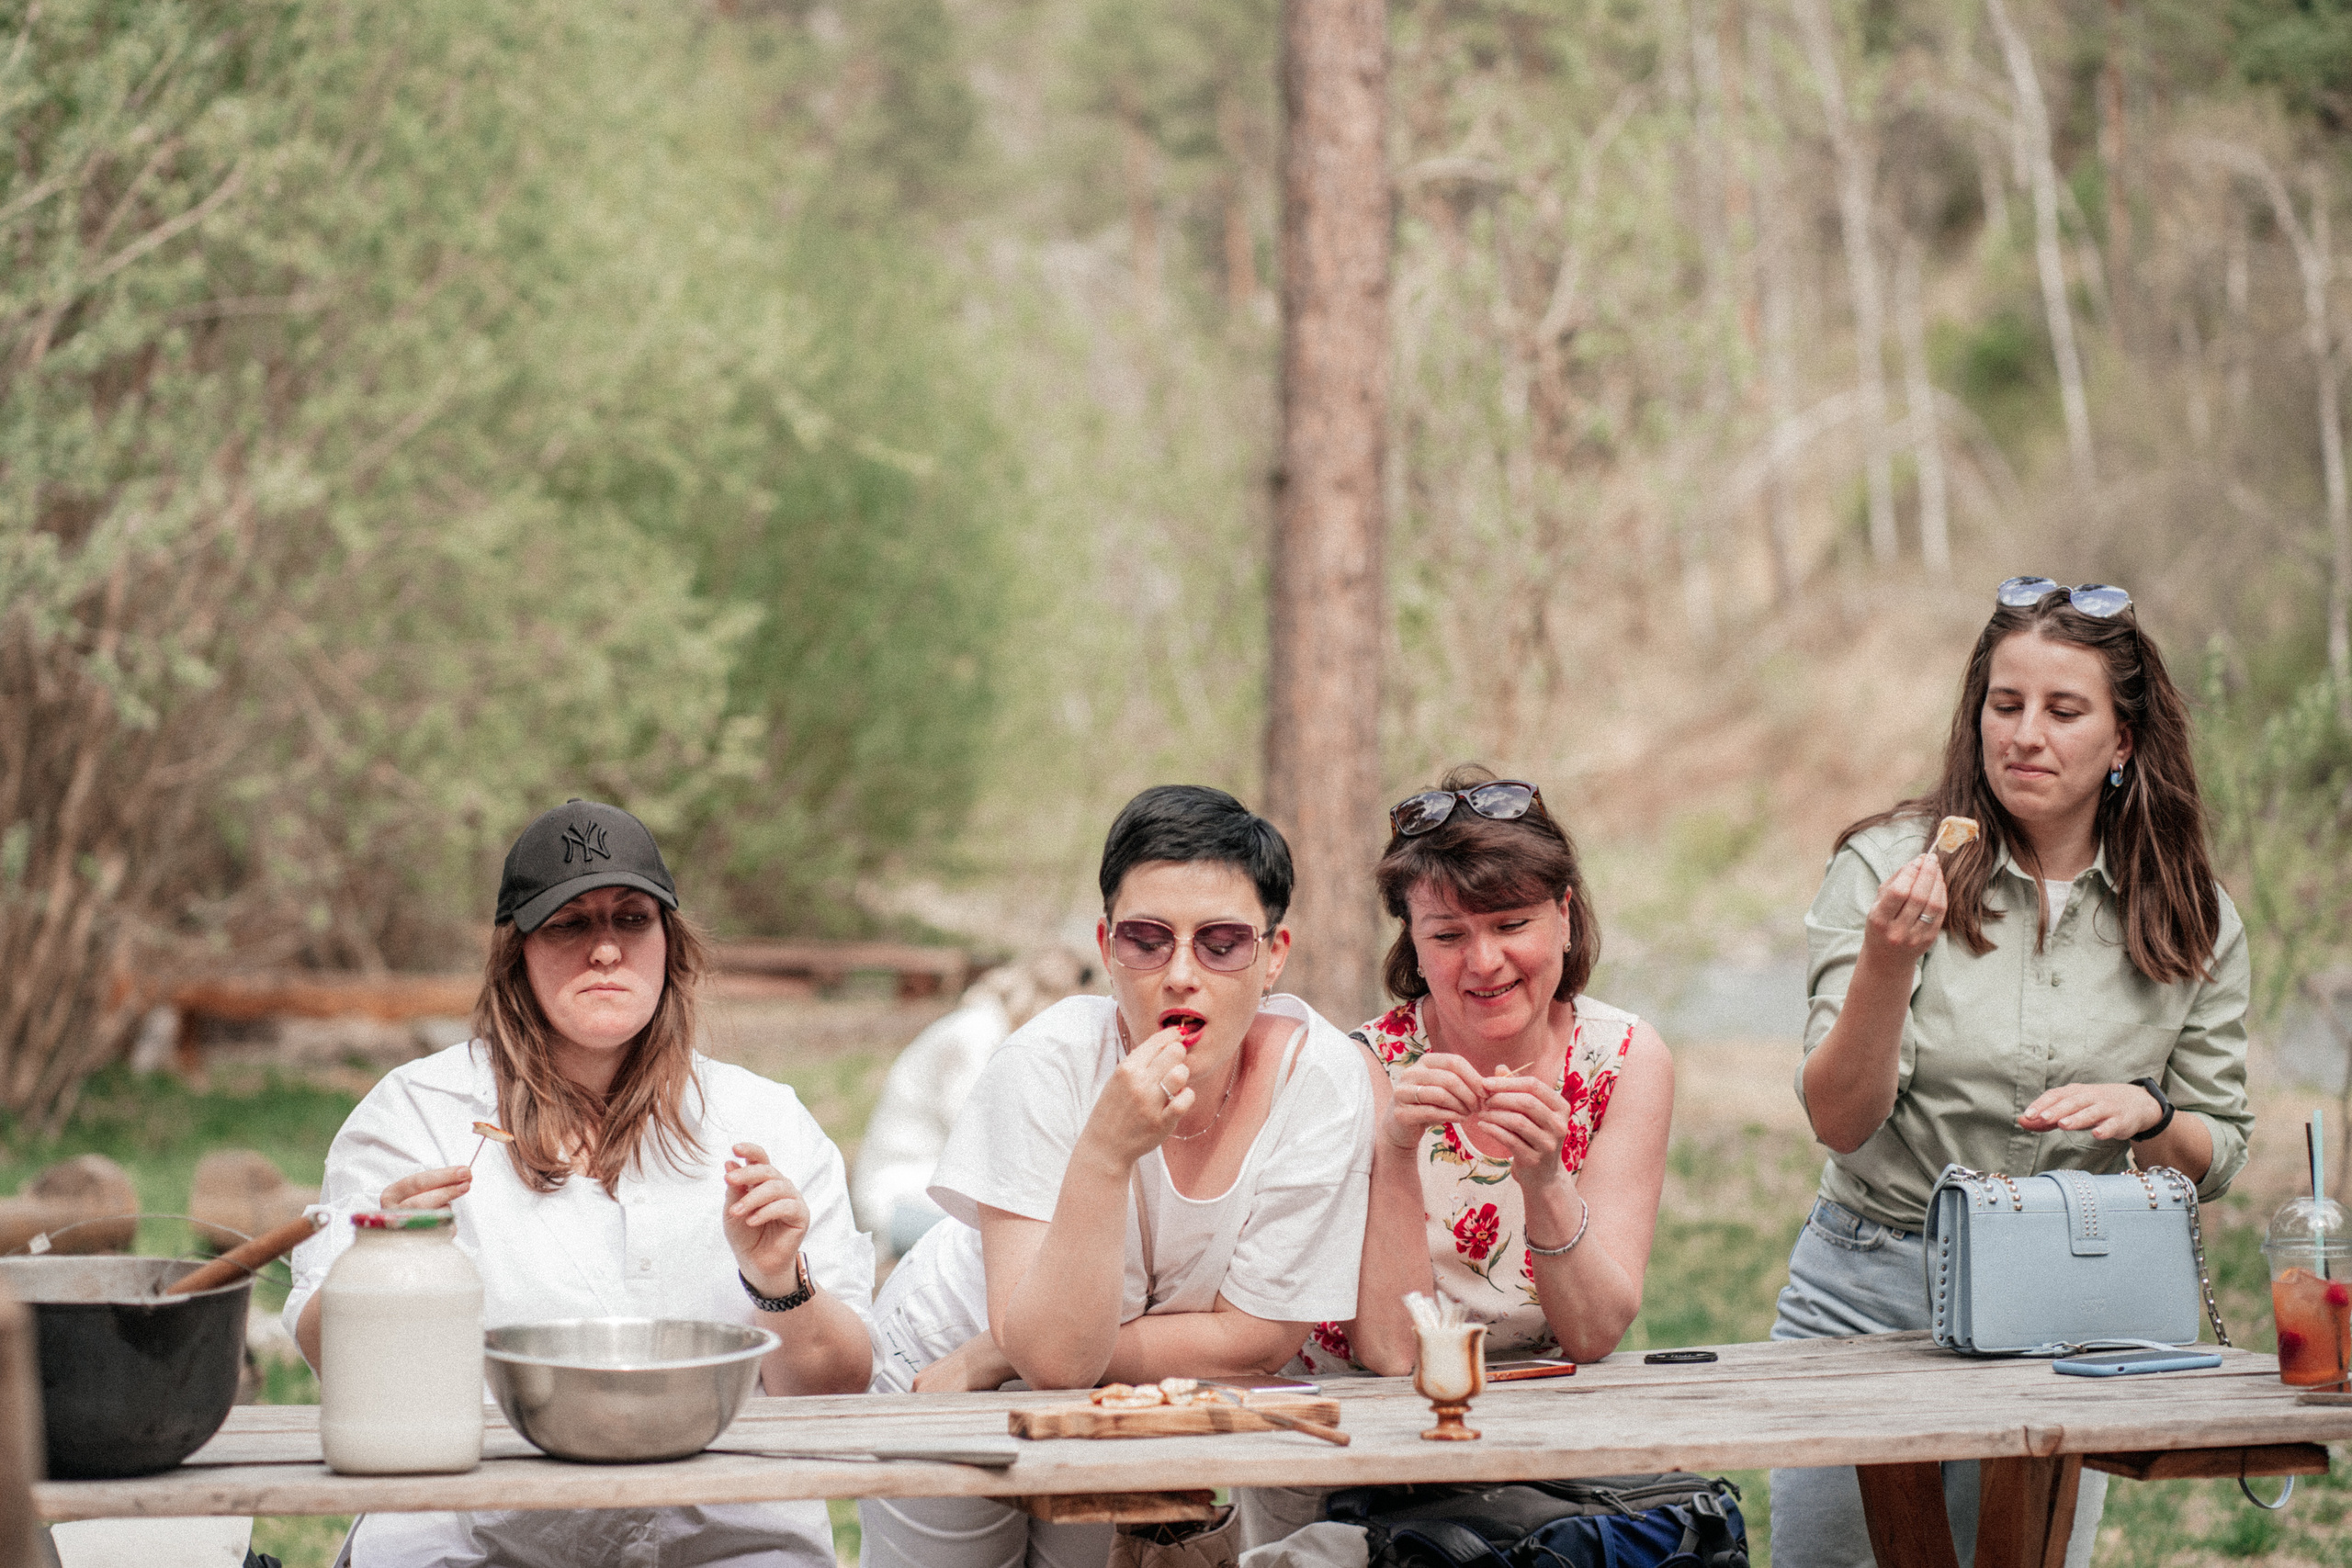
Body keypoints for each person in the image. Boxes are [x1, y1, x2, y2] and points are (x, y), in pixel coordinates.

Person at [1771, 579, 2252, 1566]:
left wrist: (2148, 1113)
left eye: (2063, 711)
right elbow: (1839, 1120)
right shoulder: (1883, 866)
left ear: (2123, 742)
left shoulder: (2191, 912)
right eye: (2006, 704)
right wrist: (1887, 961)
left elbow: (2219, 1151)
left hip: (2068, 1307)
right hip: (1872, 1289)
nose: (2025, 735)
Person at [285, 801, 874, 1568]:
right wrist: (379, 1266)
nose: (604, 948)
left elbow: (834, 1392)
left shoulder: (764, 1121)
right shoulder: (416, 1115)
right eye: (568, 923)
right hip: (474, 1542)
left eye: (632, 918)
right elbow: (331, 1360)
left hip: (726, 1545)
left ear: (670, 943)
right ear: (516, 954)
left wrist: (779, 1280)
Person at [858, 785, 1375, 1568]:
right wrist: (1104, 1152)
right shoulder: (1045, 1062)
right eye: (1147, 939)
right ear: (1106, 946)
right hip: (940, 1360)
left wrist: (1002, 1352)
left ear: (1274, 955)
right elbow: (1055, 1356)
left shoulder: (1322, 1084)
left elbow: (1258, 1336)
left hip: (1113, 1392)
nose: (1181, 973)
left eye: (1222, 943)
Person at [1297, 768, 1674, 1380]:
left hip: (1544, 1406)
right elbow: (1394, 1354)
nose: (1484, 961)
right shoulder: (1362, 1066)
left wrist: (1545, 1180)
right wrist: (1395, 1147)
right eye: (1448, 935)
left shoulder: (1624, 1059)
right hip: (1364, 1409)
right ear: (1414, 943)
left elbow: (1593, 1333)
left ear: (1564, 915)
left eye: (1511, 924)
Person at [852, 947, 1097, 1258]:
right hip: (900, 1201)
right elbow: (982, 1137)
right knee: (1038, 1243)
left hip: (933, 1192)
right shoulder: (974, 1034)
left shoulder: (991, 1029)